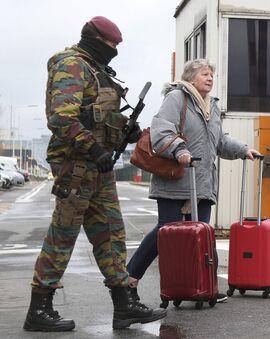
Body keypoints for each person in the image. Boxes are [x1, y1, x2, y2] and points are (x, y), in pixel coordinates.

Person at [24, 16, 166, 332]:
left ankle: (124, 305)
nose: (114, 50)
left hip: (96, 168)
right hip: (76, 167)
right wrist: (94, 149)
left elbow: (98, 118)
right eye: (111, 45)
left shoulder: (95, 70)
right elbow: (62, 118)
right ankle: (39, 308)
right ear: (95, 40)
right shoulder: (72, 65)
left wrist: (122, 134)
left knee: (111, 234)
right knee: (63, 234)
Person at [126, 59, 260, 302]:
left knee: (201, 237)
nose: (210, 78)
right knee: (164, 234)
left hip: (202, 183)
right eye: (204, 74)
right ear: (190, 77)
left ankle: (200, 286)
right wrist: (180, 151)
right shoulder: (177, 98)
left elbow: (219, 142)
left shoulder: (212, 106)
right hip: (175, 182)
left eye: (211, 75)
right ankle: (131, 278)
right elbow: (162, 130)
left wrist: (243, 150)